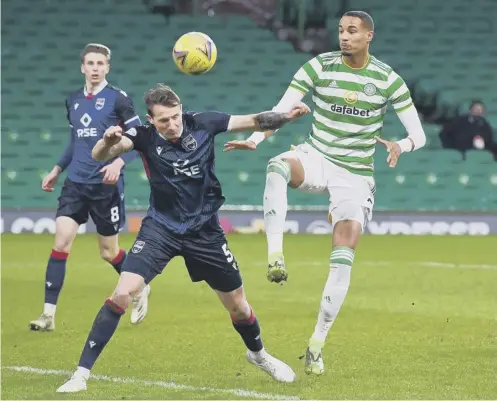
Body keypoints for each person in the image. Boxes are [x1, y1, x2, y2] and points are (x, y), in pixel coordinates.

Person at [55, 83, 310, 392]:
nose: (172, 125)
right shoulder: (143, 137)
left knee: (239, 306)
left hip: (205, 231)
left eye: (175, 117)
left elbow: (255, 120)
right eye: (164, 120)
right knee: (122, 292)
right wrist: (106, 141)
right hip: (161, 228)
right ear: (151, 119)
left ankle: (258, 355)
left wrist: (286, 116)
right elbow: (101, 154)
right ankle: (81, 375)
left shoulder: (203, 122)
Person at [224, 11, 427, 375]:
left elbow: (420, 135)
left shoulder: (387, 80)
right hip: (317, 155)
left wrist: (402, 145)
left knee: (343, 252)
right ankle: (275, 257)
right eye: (340, 30)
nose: (344, 37)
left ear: (369, 36)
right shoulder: (319, 66)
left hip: (356, 174)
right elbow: (281, 108)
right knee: (277, 166)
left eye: (352, 31)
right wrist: (255, 139)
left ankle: (317, 342)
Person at [29, 43, 151, 332]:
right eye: (90, 63)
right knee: (61, 242)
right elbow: (75, 142)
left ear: (107, 67)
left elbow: (141, 138)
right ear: (82, 67)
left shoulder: (119, 100)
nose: (95, 68)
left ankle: (140, 283)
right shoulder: (73, 100)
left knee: (108, 252)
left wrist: (119, 163)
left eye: (100, 63)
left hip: (105, 187)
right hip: (75, 184)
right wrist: (57, 169)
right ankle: (48, 315)